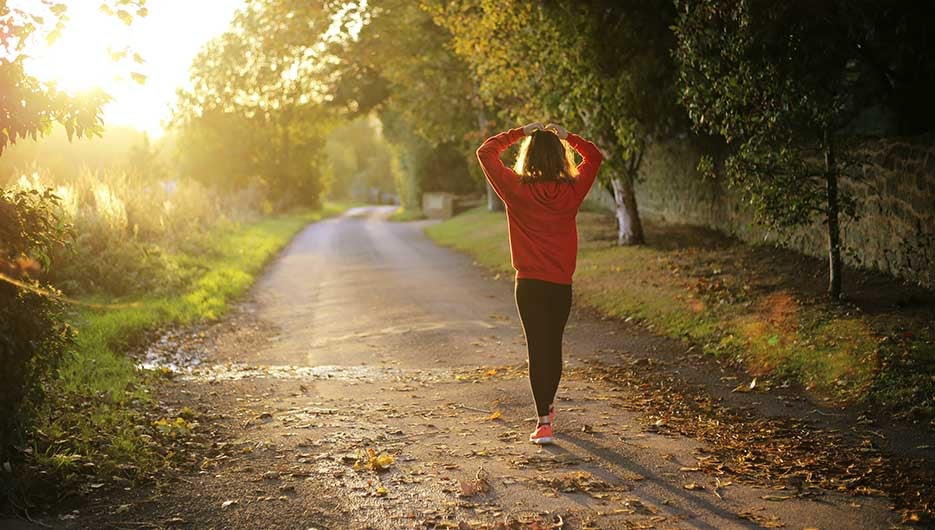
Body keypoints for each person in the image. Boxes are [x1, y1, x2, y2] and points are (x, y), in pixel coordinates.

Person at [476, 122, 603, 444]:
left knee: (537, 349)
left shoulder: (515, 189)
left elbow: (485, 152)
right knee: (553, 347)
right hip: (560, 285)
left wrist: (520, 132)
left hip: (529, 285)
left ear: (527, 157)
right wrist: (568, 137)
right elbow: (595, 157)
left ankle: (543, 421)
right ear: (561, 158)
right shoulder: (572, 191)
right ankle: (548, 407)